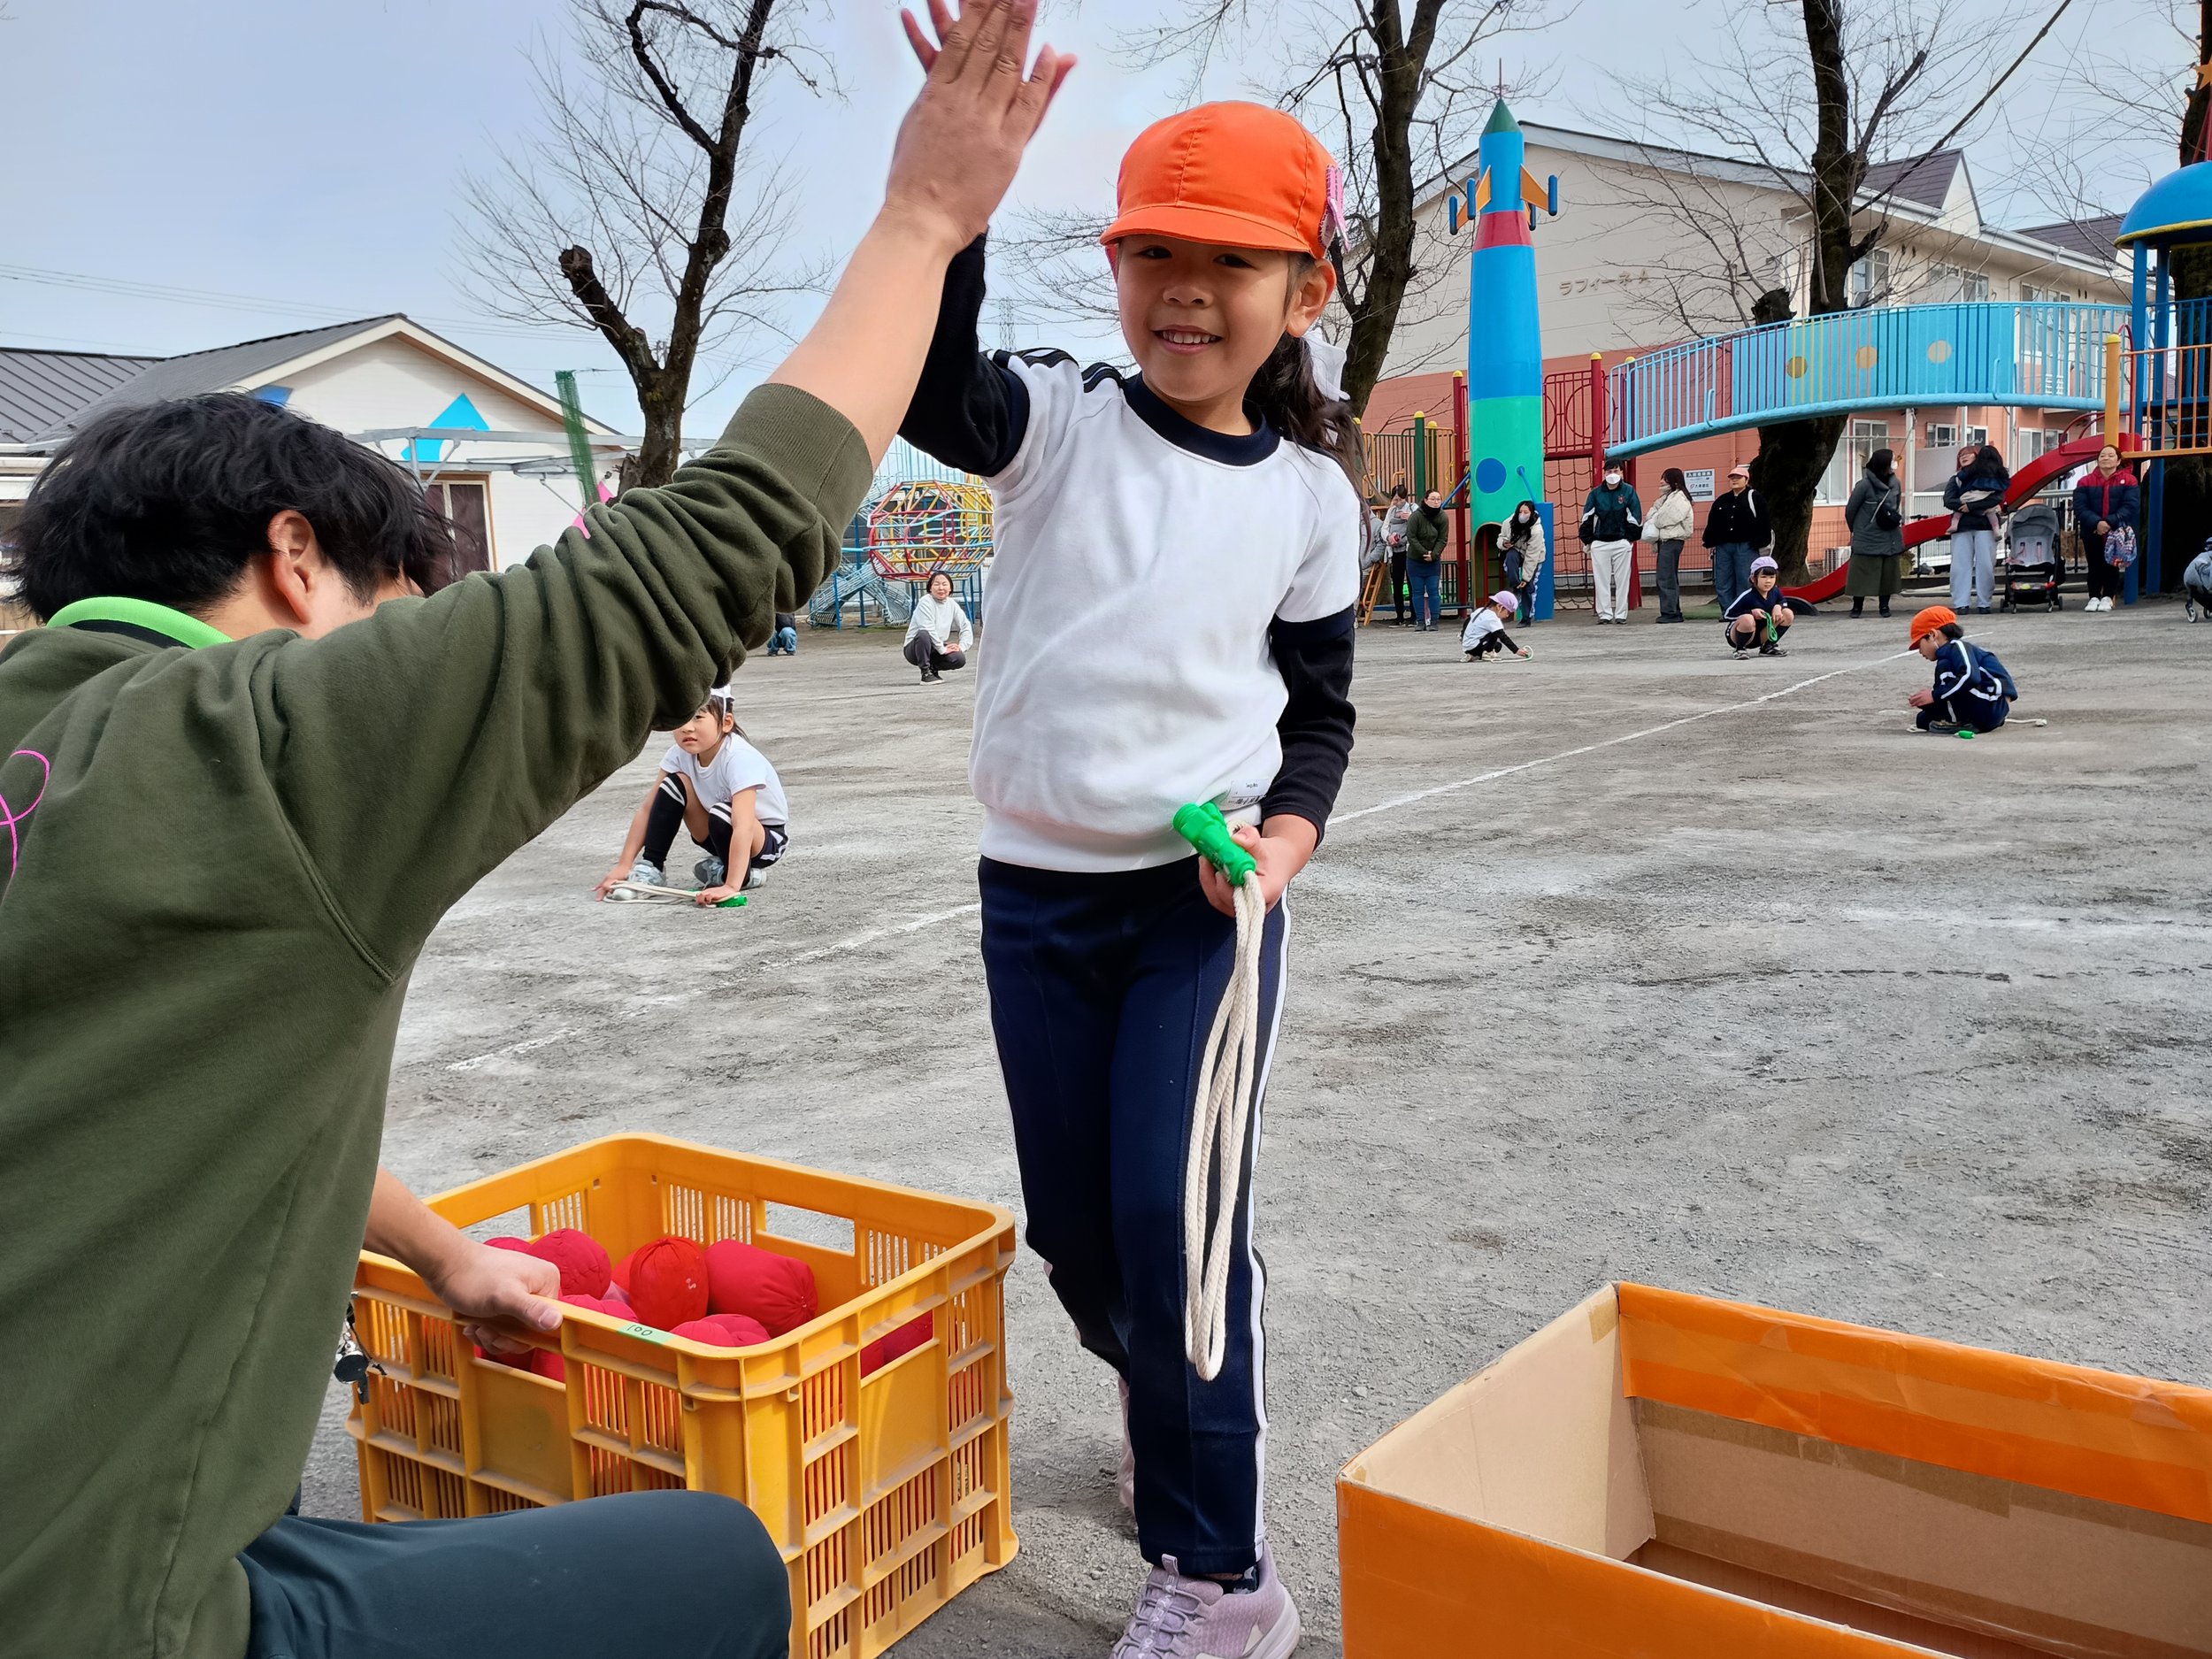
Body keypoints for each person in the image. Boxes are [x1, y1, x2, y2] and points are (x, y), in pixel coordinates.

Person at [0, 6, 1070, 1657]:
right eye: (387, 601)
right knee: (716, 1563)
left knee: (283, 1508)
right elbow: (705, 554)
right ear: (298, 563)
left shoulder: (41, 744)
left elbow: (183, 1093)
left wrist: (443, 1256)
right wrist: (925, 221)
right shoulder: (264, 747)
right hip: (85, 1614)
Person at [894, 78, 1360, 1657]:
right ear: (1113, 270)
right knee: (1080, 1243)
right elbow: (932, 393)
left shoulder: (1309, 500)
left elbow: (1320, 723)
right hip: (1032, 900)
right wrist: (951, 214)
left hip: (1200, 911)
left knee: (1181, 1234)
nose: (1187, 288)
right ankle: (1168, 1403)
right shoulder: (1061, 421)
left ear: (1306, 292)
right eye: (1155, 248)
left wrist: (1282, 847)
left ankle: (1223, 1576)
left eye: (1232, 262)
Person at [596, 690, 789, 903]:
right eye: (681, 718)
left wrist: (731, 886)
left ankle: (741, 875)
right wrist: (624, 865)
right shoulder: (679, 755)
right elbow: (648, 810)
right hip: (717, 834)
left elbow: (743, 825)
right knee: (673, 783)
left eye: (698, 717)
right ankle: (651, 869)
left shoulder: (739, 758)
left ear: (726, 722)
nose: (687, 727)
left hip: (764, 842)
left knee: (723, 812)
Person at [1908, 604, 2017, 733]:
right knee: (1923, 720)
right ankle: (1960, 720)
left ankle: (1960, 722)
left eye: (1919, 645)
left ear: (1932, 635)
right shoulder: (1950, 653)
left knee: (1945, 668)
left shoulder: (1957, 647)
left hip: (1992, 705)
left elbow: (1970, 676)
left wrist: (1934, 695)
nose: (1920, 651)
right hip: (1987, 706)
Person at [2071, 442, 2139, 612]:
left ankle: (2108, 597)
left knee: (2112, 565)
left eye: (2110, 455)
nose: (2106, 458)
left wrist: (2109, 523)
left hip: (2116, 531)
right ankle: (2093, 596)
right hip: (2092, 530)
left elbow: (2130, 505)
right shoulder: (2085, 481)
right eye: (2102, 455)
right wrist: (2097, 523)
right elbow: (2080, 507)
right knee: (2094, 564)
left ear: (2118, 461)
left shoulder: (2129, 480)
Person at [1943, 442, 2009, 614]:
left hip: (1984, 527)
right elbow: (1948, 500)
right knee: (1960, 566)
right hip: (1963, 527)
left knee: (1985, 565)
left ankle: (1984, 602)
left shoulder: (1991, 475)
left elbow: (1998, 497)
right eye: (1960, 455)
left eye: (1968, 454)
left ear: (1977, 455)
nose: (1963, 457)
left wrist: (1970, 507)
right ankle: (1961, 603)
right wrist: (1968, 506)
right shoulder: (1957, 478)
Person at [1843, 448, 1907, 619]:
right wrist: (1858, 530)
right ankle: (1857, 607)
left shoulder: (1896, 483)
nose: (1895, 463)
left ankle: (1884, 606)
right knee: (1861, 573)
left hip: (1889, 534)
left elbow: (1897, 505)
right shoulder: (1864, 485)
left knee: (1888, 573)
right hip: (1867, 536)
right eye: (1893, 460)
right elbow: (1851, 510)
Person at [1579, 463, 1642, 623]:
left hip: (1622, 542)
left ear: (1621, 473)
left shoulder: (1628, 491)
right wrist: (1589, 540)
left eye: (1615, 470)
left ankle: (1621, 614)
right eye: (1609, 471)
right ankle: (1605, 614)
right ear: (1604, 473)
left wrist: (1629, 539)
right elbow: (1587, 517)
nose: (1612, 474)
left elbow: (1635, 516)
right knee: (1601, 580)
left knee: (1623, 580)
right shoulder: (1596, 494)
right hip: (1600, 543)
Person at [1701, 463, 1770, 611]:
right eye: (1732, 477)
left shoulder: (1755, 498)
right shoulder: (1722, 500)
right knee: (1723, 579)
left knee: (1745, 579)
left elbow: (1764, 521)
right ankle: (1727, 611)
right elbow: (1713, 521)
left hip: (1747, 545)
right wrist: (1710, 540)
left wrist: (1760, 541)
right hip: (1724, 546)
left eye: (1738, 477)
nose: (1734, 480)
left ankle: (1744, 610)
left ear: (1746, 480)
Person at [1641, 466, 1695, 623]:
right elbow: (1652, 514)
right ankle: (1673, 610)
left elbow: (1661, 519)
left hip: (1672, 540)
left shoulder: (1679, 498)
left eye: (1665, 479)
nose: (1661, 482)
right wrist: (1656, 516)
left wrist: (1656, 517)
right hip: (1667, 541)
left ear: (1674, 481)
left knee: (1665, 577)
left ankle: (1670, 612)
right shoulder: (1667, 498)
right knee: (1668, 577)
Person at [903, 568, 972, 680]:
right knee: (923, 634)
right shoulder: (925, 602)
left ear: (950, 588)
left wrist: (961, 647)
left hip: (936, 647)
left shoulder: (952, 604)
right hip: (915, 649)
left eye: (945, 584)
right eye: (936, 584)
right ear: (930, 587)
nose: (941, 588)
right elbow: (928, 628)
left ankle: (933, 669)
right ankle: (925, 673)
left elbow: (965, 625)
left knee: (959, 659)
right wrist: (943, 649)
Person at [1721, 554, 1794, 657]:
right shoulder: (1747, 596)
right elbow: (1727, 615)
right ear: (1753, 578)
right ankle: (1740, 650)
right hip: (1740, 635)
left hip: (1761, 635)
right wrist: (1751, 612)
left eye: (1772, 577)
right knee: (1748, 619)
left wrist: (1779, 606)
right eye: (1763, 577)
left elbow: (1783, 601)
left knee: (1788, 614)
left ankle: (1768, 646)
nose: (1768, 581)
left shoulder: (1775, 591)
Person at [1406, 486, 1449, 631]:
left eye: (1439, 499)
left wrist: (1434, 554)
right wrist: (1424, 553)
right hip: (1415, 560)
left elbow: (1443, 539)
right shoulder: (1415, 517)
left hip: (1433, 560)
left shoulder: (1443, 517)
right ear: (1425, 500)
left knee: (1433, 590)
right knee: (1417, 591)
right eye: (1433, 499)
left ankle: (1435, 621)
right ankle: (1420, 621)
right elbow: (1412, 538)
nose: (1436, 502)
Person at [1498, 498, 1544, 623]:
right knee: (1510, 557)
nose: (1522, 515)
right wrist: (1503, 543)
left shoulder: (1536, 530)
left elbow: (1532, 556)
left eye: (1526, 512)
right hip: (1517, 550)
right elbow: (1501, 537)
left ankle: (1527, 616)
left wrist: (1526, 577)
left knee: (1529, 586)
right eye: (1520, 512)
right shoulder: (1509, 522)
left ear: (1532, 513)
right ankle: (1515, 585)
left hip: (1534, 556)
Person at [1461, 588, 1532, 660]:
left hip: (1467, 648)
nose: (1507, 616)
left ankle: (1474, 654)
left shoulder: (1480, 610)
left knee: (1498, 645)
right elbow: (1503, 637)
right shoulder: (1493, 618)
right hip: (1476, 647)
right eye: (1508, 612)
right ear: (1499, 606)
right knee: (1496, 633)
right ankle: (1488, 652)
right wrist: (1516, 650)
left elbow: (1466, 623)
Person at [1383, 482, 1414, 624]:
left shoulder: (1413, 509)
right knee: (1397, 583)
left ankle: (1414, 615)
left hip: (1409, 551)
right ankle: (1399, 615)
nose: (1398, 503)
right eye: (1395, 500)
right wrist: (1389, 538)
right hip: (1395, 551)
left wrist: (1411, 518)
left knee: (1412, 583)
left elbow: (1418, 525)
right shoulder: (1391, 511)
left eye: (1401, 500)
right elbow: (1384, 528)